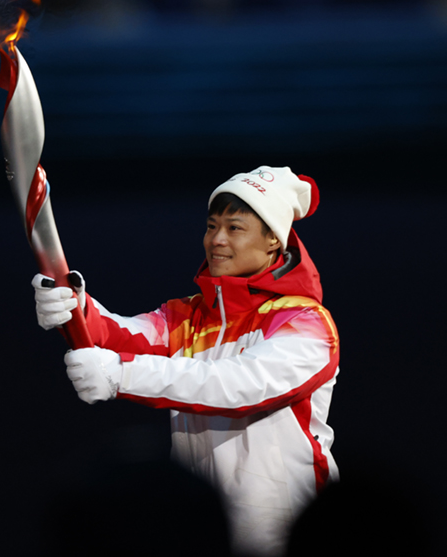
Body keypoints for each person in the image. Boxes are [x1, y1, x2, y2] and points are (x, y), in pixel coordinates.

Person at [32, 166, 340, 556]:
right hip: (205, 532)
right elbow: (114, 332)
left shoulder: (305, 322)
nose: (217, 240)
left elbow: (235, 385)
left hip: (287, 536)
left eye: (235, 228)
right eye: (212, 227)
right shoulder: (189, 317)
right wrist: (74, 306)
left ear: (273, 244)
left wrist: (121, 374)